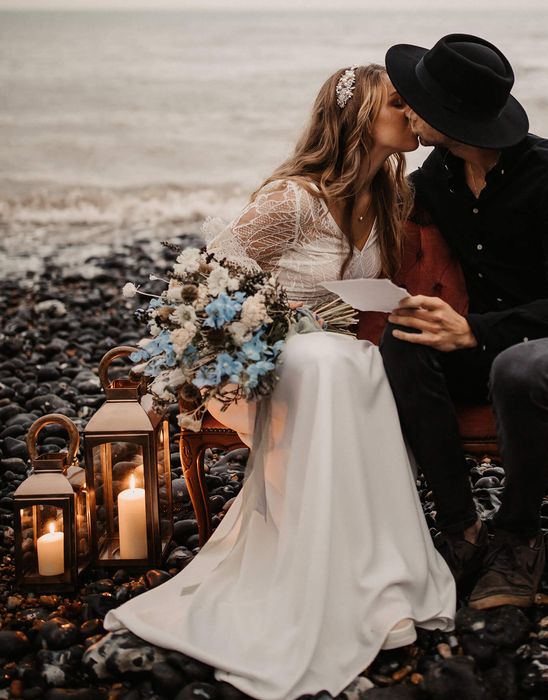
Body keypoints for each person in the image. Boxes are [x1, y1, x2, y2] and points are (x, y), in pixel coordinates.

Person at [104, 64, 455, 700]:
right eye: (399, 104)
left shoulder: (389, 200)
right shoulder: (292, 200)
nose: (413, 115)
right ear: (356, 118)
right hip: (258, 364)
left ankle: (372, 577)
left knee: (354, 362)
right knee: (330, 362)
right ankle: (319, 581)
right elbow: (207, 281)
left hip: (336, 360)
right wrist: (283, 324)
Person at [380, 35, 548, 610]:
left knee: (519, 367)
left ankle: (516, 537)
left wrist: (475, 330)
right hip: (482, 344)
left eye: (415, 101)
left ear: (449, 116)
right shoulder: (437, 177)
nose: (406, 109)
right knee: (403, 339)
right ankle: (461, 528)